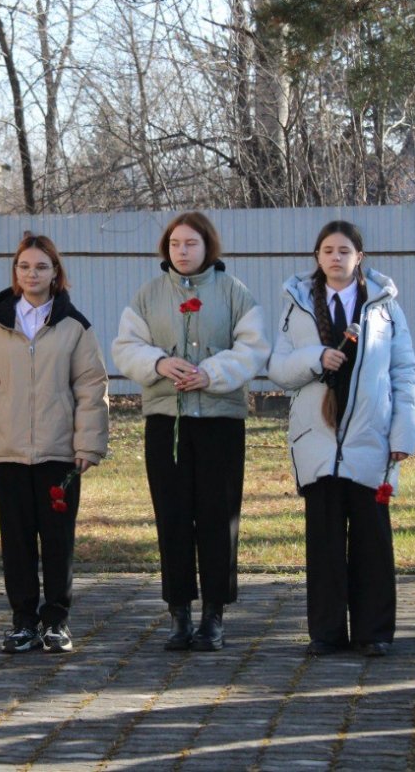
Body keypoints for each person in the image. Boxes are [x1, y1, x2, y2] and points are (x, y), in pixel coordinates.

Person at [112, 212, 269, 652]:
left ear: (208, 247)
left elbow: (253, 347)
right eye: (175, 243)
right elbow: (126, 347)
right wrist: (160, 364)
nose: (182, 251)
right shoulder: (147, 296)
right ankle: (179, 612)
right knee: (174, 517)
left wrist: (212, 373)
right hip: (167, 422)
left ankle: (214, 615)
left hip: (221, 422)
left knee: (219, 518)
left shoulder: (235, 292)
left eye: (191, 243)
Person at [267, 220, 415, 658]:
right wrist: (316, 357)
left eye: (344, 251)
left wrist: (404, 432)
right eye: (328, 250)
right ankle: (327, 633)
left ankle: (374, 633)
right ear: (317, 256)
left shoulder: (384, 307)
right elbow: (278, 369)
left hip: (370, 439)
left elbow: (404, 372)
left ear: (359, 258)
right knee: (325, 541)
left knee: (373, 540)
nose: (336, 257)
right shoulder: (296, 305)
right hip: (316, 441)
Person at [0, 234, 110, 655]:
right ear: (16, 272)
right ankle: (23, 621)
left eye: (41, 267)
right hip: (8, 455)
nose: (32, 274)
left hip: (59, 455)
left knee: (58, 541)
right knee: (17, 541)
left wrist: (88, 445)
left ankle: (56, 621)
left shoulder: (74, 327)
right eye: (25, 266)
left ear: (56, 273)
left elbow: (90, 387)